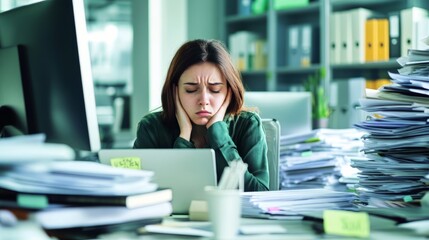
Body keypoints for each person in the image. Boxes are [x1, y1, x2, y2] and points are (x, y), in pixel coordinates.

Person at [133, 39, 269, 191]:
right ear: (175, 91)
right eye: (191, 90)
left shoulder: (248, 124)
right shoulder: (151, 127)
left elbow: (260, 193)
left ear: (229, 91)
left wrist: (218, 135)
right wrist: (183, 137)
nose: (204, 100)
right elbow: (139, 192)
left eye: (215, 89)